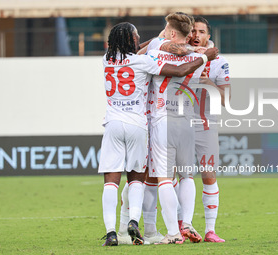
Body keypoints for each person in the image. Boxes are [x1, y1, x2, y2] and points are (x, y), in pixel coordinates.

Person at [99, 21, 218, 246]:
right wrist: (204, 55)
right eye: (135, 36)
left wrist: (156, 40)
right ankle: (141, 221)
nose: (138, 39)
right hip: (141, 124)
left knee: (111, 183)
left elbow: (136, 48)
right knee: (144, 179)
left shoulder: (106, 59)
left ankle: (112, 231)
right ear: (131, 40)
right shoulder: (145, 61)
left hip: (114, 123)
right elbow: (181, 69)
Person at [146, 13, 218, 244]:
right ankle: (186, 223)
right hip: (187, 121)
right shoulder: (199, 59)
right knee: (187, 176)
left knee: (165, 179)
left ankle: (173, 233)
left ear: (173, 33)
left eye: (167, 30)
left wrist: (164, 39)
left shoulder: (156, 52)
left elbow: (148, 47)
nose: (164, 33)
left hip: (163, 119)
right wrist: (202, 53)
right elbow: (200, 53)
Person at [189, 16, 231, 243]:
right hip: (177, 125)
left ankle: (210, 230)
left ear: (208, 37)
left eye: (201, 32)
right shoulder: (177, 57)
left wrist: (209, 83)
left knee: (208, 175)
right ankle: (180, 228)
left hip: (205, 125)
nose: (196, 35)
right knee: (178, 177)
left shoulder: (219, 62)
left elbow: (226, 100)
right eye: (193, 31)